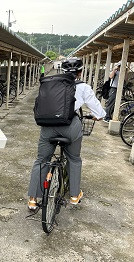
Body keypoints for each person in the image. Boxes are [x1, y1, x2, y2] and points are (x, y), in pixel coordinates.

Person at [27, 57, 106, 210]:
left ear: (62, 70)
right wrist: (99, 116)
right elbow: (98, 110)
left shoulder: (50, 83)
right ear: (80, 72)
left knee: (41, 160)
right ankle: (75, 196)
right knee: (74, 159)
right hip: (71, 128)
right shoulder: (83, 87)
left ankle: (32, 199)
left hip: (48, 127)